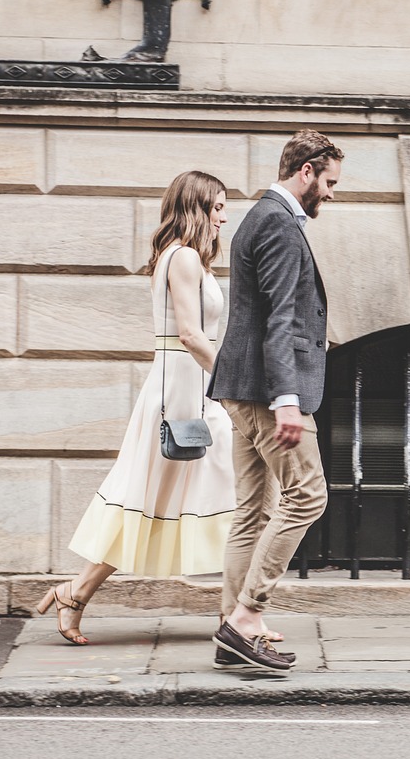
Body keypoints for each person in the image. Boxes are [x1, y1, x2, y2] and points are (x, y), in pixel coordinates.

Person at [38, 170, 236, 645]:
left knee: (200, 497)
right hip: (184, 394)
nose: (224, 218)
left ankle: (241, 614)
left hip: (189, 389)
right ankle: (77, 592)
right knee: (154, 500)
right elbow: (189, 334)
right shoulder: (184, 258)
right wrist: (232, 382)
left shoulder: (180, 256)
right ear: (196, 207)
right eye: (218, 207)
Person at [209, 129, 344, 672]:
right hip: (269, 392)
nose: (332, 193)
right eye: (330, 181)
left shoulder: (257, 218)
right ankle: (246, 616)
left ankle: (232, 629)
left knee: (253, 512)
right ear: (306, 171)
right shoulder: (280, 225)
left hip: (240, 388)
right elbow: (281, 320)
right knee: (309, 496)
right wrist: (287, 399)